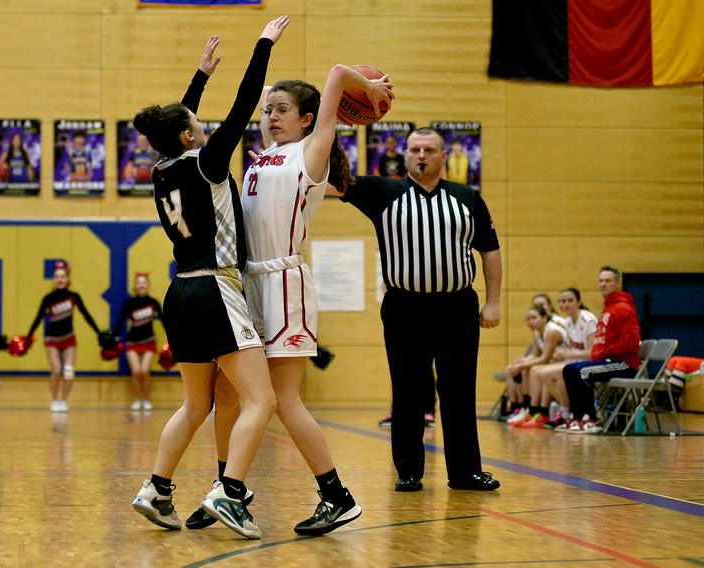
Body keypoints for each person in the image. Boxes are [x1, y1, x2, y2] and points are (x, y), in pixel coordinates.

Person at [130, 18, 288, 540]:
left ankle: (156, 488)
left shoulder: (160, 168)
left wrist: (198, 78)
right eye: (196, 121)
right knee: (260, 400)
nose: (204, 124)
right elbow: (245, 104)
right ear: (187, 134)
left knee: (198, 404)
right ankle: (231, 492)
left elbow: (171, 125)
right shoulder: (208, 162)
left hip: (179, 291)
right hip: (217, 288)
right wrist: (264, 44)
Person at [227, 65, 391, 535]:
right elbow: (261, 99)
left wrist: (367, 88)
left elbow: (337, 73)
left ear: (308, 119)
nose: (271, 117)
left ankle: (335, 496)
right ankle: (228, 487)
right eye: (267, 111)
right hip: (252, 282)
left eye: (282, 111)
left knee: (284, 399)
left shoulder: (311, 153)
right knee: (249, 396)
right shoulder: (264, 156)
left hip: (285, 282)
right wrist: (265, 92)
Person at [333, 127, 502, 492]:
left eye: (428, 150)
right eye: (414, 150)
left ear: (444, 157)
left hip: (456, 307)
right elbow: (336, 178)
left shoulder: (467, 198)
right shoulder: (383, 192)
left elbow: (489, 249)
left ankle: (465, 473)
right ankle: (408, 471)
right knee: (408, 391)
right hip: (404, 307)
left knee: (459, 391)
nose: (420, 155)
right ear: (406, 156)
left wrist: (493, 301)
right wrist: (328, 129)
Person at [560, 266, 640, 434]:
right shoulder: (608, 307)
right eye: (601, 281)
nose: (603, 284)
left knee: (584, 373)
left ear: (617, 284)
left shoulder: (623, 308)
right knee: (569, 370)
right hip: (609, 360)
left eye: (608, 281)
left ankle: (591, 418)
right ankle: (577, 417)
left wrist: (608, 351)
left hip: (624, 363)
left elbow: (632, 340)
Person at [25, 261, 103, 412]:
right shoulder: (48, 298)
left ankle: (64, 400)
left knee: (68, 371)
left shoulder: (73, 296)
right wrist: (28, 336)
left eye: (63, 276)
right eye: (57, 276)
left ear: (67, 279)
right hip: (52, 339)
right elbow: (38, 318)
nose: (60, 279)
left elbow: (86, 315)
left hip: (69, 338)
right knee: (56, 369)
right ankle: (54, 400)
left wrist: (99, 333)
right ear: (53, 280)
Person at [531, 288, 598, 427]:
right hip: (574, 362)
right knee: (542, 374)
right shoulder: (567, 322)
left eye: (569, 300)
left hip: (590, 364)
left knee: (559, 373)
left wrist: (568, 354)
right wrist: (559, 353)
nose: (565, 304)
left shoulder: (588, 320)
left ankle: (570, 413)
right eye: (561, 301)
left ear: (578, 302)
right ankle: (566, 412)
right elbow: (570, 349)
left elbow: (594, 352)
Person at [504, 304, 569, 428]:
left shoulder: (551, 332)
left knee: (534, 371)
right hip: (553, 363)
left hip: (566, 362)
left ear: (544, 318)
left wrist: (523, 366)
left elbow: (545, 358)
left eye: (534, 318)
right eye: (528, 319)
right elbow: (535, 355)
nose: (531, 322)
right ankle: (526, 409)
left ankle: (538, 412)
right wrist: (521, 363)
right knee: (522, 368)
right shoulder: (537, 332)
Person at [113, 273, 163, 411]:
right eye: (139, 283)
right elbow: (120, 322)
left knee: (144, 371)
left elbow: (164, 321)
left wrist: (172, 337)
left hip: (149, 341)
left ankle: (146, 399)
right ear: (135, 286)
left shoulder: (153, 303)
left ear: (148, 285)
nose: (141, 285)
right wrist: (112, 338)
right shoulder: (129, 303)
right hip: (132, 342)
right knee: (136, 372)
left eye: (144, 282)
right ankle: (136, 399)